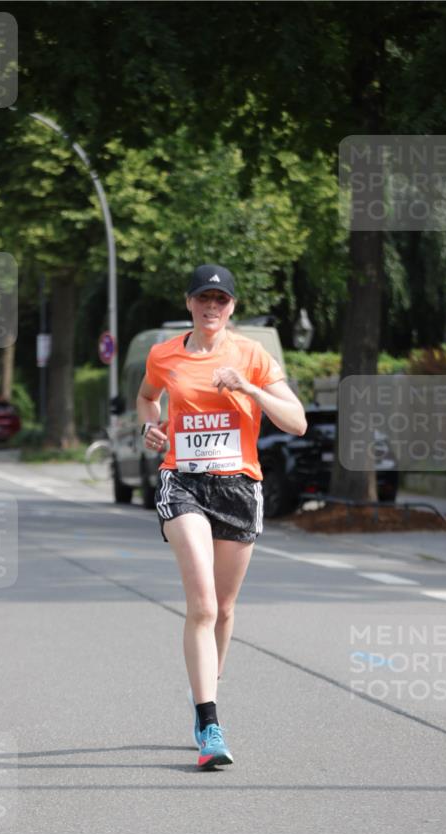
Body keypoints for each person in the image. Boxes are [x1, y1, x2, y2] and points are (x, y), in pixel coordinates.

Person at [137, 264, 307, 770]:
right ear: (189, 303)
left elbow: (295, 422)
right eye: (203, 298)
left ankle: (208, 686)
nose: (212, 307)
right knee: (204, 604)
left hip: (239, 485)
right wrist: (150, 430)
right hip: (183, 480)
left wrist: (250, 391)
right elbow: (148, 398)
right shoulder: (163, 354)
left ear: (232, 307)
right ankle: (210, 723)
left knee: (226, 608)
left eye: (221, 300)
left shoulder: (253, 355)